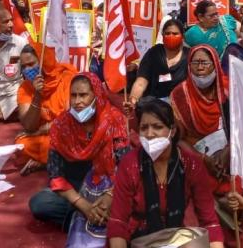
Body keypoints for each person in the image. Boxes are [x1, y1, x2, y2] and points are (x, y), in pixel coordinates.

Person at [107, 98, 224, 247]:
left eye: (157, 127)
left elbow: (209, 222)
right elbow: (118, 221)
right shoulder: (130, 164)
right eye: (144, 128)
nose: (150, 134)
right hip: (139, 240)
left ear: (172, 131)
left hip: (176, 238)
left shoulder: (191, 164)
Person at [29, 73, 130, 232]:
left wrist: (110, 196)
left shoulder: (114, 120)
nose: (77, 102)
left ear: (96, 95)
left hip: (110, 188)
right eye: (73, 95)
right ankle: (96, 217)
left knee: (136, 198)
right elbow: (55, 175)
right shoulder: (61, 125)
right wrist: (84, 205)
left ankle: (90, 217)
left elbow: (126, 168)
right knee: (39, 203)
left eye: (83, 95)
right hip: (76, 190)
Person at [169, 45, 229, 189]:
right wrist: (204, 160)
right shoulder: (179, 95)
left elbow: (241, 129)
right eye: (195, 63)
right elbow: (178, 139)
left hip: (228, 152)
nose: (200, 67)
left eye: (205, 63)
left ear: (215, 65)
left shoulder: (228, 90)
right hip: (195, 153)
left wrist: (228, 151)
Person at [15, 44, 79, 170]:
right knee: (21, 144)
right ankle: (52, 160)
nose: (27, 70)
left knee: (73, 142)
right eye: (23, 67)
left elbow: (73, 117)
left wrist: (43, 130)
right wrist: (37, 96)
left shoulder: (67, 78)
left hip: (67, 132)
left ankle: (45, 161)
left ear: (44, 62)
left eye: (31, 64)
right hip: (45, 138)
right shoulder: (25, 87)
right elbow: (29, 126)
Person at [127, 19, 189, 108]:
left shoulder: (189, 55)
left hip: (181, 107)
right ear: (162, 36)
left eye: (175, 34)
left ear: (182, 37)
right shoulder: (154, 53)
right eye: (167, 33)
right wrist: (133, 100)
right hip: (154, 107)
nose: (171, 36)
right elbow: (141, 82)